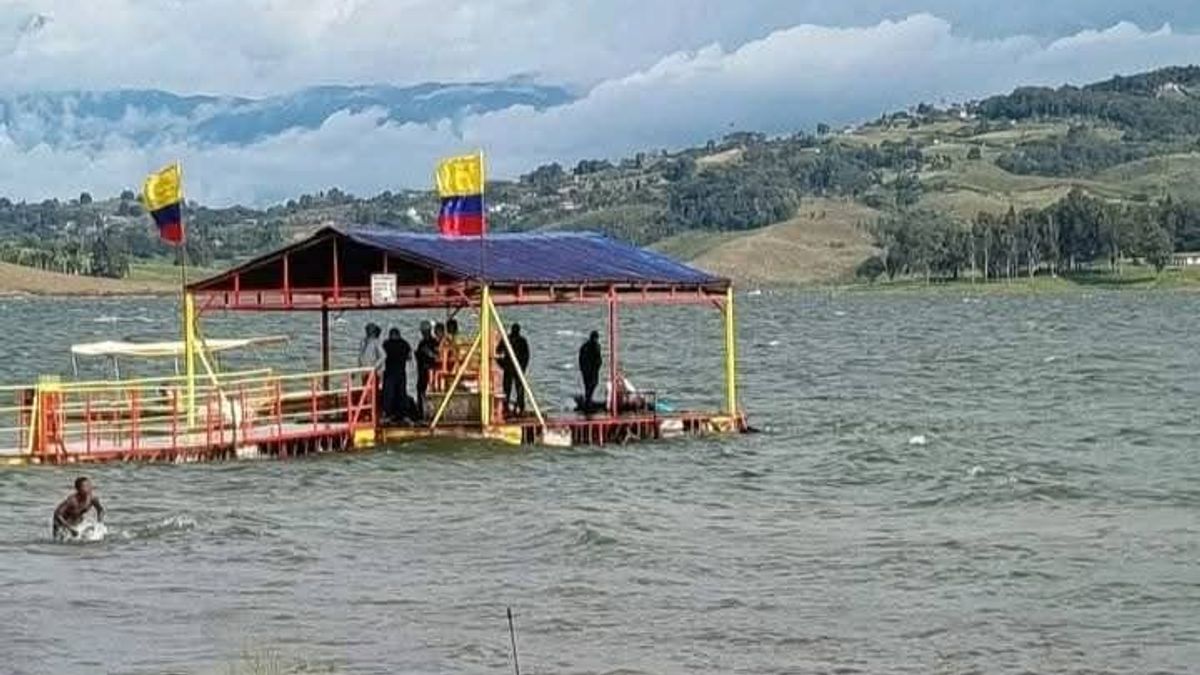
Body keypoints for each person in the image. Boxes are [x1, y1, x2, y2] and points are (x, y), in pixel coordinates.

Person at [497, 323, 531, 415]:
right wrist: (502, 365)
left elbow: (526, 355)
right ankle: (506, 407)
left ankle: (520, 407)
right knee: (507, 389)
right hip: (509, 368)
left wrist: (523, 367)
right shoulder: (507, 339)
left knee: (519, 389)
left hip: (516, 368)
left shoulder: (521, 341)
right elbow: (498, 353)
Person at [382, 327, 412, 422]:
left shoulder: (386, 344)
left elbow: (382, 356)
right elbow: (409, 357)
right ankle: (403, 415)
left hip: (389, 373)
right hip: (401, 373)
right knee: (401, 393)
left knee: (389, 394)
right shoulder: (405, 344)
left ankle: (388, 414)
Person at [415, 321, 439, 420]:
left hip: (430, 371)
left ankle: (427, 413)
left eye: (425, 331)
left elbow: (437, 356)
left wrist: (429, 354)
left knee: (426, 391)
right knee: (421, 391)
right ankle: (421, 413)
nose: (424, 333)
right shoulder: (422, 343)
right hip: (423, 372)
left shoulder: (433, 343)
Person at [578, 331, 603, 409]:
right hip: (588, 369)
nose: (596, 340)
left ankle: (588, 399)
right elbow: (581, 358)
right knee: (590, 384)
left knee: (592, 384)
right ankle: (588, 401)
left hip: (592, 369)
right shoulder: (588, 346)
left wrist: (598, 365)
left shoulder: (593, 346)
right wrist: (583, 368)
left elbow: (598, 358)